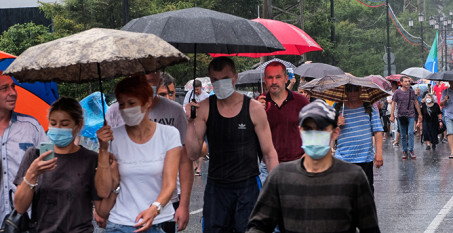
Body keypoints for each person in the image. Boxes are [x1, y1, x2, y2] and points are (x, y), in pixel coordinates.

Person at [246, 100, 380, 233]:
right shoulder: (280, 176)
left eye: (321, 129)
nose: (314, 134)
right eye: (308, 129)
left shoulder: (353, 177)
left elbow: (369, 228)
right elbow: (258, 225)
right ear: (300, 131)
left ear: (335, 133)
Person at [185, 57, 278, 233]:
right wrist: (190, 122)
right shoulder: (204, 108)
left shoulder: (254, 108)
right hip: (217, 188)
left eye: (225, 79)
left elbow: (269, 153)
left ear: (235, 78)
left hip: (247, 186)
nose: (220, 84)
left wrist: (276, 191)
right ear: (210, 80)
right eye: (215, 80)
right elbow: (192, 153)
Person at [13, 97, 115, 233]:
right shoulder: (35, 155)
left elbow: (102, 210)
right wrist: (32, 174)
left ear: (78, 125)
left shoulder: (90, 159)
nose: (57, 128)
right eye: (53, 123)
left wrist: (114, 179)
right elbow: (20, 207)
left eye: (64, 124)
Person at [106, 72, 192, 232]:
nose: (126, 109)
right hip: (120, 221)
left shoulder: (170, 129)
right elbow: (105, 182)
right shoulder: (113, 132)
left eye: (132, 103)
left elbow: (178, 170)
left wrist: (176, 205)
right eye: (122, 104)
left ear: (146, 102)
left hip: (162, 214)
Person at [0, 72, 48, 222]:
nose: (13, 93)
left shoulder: (32, 126)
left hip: (28, 218)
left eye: (13, 87)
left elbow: (51, 162)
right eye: (4, 88)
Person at [256, 61, 309, 182]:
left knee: (296, 201)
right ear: (265, 80)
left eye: (278, 77)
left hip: (297, 165)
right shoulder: (257, 104)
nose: (274, 81)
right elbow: (249, 134)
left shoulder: (301, 101)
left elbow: (314, 128)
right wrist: (258, 112)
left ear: (286, 78)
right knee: (269, 201)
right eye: (270, 77)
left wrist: (308, 154)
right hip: (267, 167)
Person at [334, 83, 384, 193]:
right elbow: (328, 132)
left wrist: (379, 153)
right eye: (349, 89)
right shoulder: (338, 109)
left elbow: (378, 131)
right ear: (345, 91)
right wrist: (336, 123)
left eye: (355, 89)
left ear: (360, 90)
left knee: (366, 193)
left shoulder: (369, 108)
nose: (352, 92)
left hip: (365, 159)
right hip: (343, 158)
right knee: (345, 193)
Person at [390, 77, 422, 160]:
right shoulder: (397, 92)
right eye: (406, 81)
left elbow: (416, 102)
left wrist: (419, 114)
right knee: (403, 135)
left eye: (408, 81)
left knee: (410, 132)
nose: (408, 83)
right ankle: (404, 150)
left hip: (411, 115)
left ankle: (411, 150)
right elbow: (393, 103)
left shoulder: (411, 91)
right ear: (401, 83)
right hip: (401, 116)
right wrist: (392, 115)